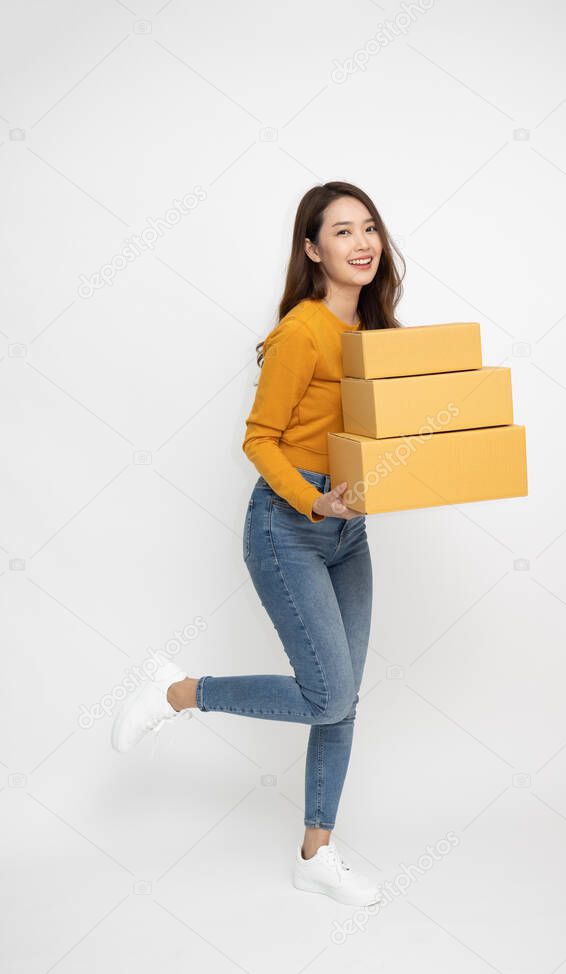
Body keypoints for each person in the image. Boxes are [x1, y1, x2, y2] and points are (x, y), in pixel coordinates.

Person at [111, 181, 405, 907]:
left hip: (348, 527)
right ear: (312, 250)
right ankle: (180, 693)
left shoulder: (377, 335)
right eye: (341, 232)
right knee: (324, 693)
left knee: (341, 702)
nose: (362, 243)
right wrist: (313, 498)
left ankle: (316, 855)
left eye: (368, 227)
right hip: (288, 529)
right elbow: (258, 438)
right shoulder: (300, 333)